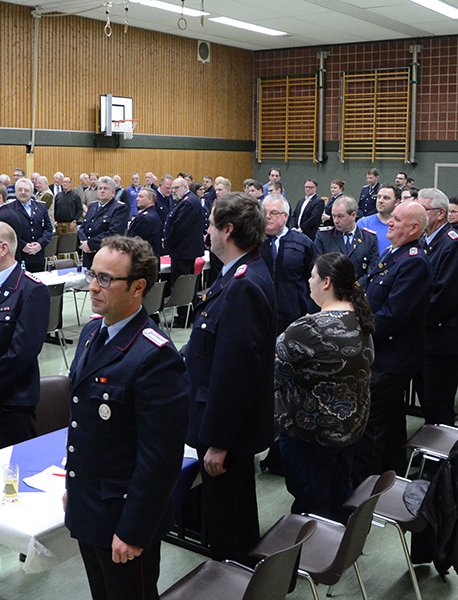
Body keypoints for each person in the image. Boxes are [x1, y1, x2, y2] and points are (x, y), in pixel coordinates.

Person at [65, 235, 188, 600]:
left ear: (138, 288)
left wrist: (134, 529)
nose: (92, 286)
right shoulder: (92, 332)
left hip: (124, 516)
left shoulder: (154, 356)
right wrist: (75, 489)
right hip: (90, 505)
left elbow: (160, 459)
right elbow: (85, 423)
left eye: (105, 279)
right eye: (92, 275)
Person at [186, 192, 276, 564]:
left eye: (210, 225)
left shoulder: (243, 285)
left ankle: (236, 581)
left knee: (230, 524)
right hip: (222, 421)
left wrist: (219, 442)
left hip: (227, 431)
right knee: (231, 512)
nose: (206, 232)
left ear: (228, 230)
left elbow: (235, 373)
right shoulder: (238, 274)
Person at [274, 252, 374, 522]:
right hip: (349, 428)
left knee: (311, 504)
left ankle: (312, 547)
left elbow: (271, 375)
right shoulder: (361, 317)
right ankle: (340, 544)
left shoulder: (308, 328)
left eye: (312, 276)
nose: (308, 281)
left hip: (309, 435)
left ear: (326, 282)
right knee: (340, 493)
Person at [353, 201, 431, 482]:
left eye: (397, 219)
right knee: (393, 422)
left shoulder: (414, 262)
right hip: (383, 353)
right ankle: (392, 477)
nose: (390, 221)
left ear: (413, 228)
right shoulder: (393, 253)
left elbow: (393, 315)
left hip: (391, 358)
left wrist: (356, 330)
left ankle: (365, 489)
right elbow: (369, 288)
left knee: (371, 427)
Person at [0, 221, 50, 451]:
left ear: (3, 248)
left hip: (11, 399)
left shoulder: (31, 289)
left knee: (14, 465)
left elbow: (23, 351)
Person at [416, 188, 458, 425]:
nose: (418, 215)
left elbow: (442, 298)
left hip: (444, 339)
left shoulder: (454, 246)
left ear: (440, 213)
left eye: (423, 210)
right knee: (427, 398)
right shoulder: (425, 240)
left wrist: (411, 318)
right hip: (428, 336)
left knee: (438, 403)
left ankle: (444, 448)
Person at [260, 195, 315, 335]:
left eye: (273, 213)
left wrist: (306, 305)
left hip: (292, 314)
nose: (267, 217)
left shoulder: (302, 243)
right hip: (259, 312)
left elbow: (312, 277)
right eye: (264, 212)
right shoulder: (252, 242)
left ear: (285, 216)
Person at [314, 196, 379, 287]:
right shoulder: (324, 236)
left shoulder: (369, 239)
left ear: (353, 215)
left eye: (340, 216)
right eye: (334, 216)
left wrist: (355, 287)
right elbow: (318, 266)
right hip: (331, 289)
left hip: (359, 291)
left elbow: (372, 269)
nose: (336, 221)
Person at [163, 177, 205, 306]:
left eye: (177, 188)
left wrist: (167, 244)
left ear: (186, 187)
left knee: (181, 285)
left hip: (183, 251)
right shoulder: (187, 200)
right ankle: (185, 312)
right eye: (172, 188)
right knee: (185, 284)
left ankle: (183, 314)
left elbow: (179, 228)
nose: (174, 191)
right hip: (185, 250)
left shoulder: (187, 203)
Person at [79, 176, 129, 268]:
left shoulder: (119, 208)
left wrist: (91, 244)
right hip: (88, 254)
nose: (102, 191)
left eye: (105, 189)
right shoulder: (92, 206)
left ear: (113, 192)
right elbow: (83, 227)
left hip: (106, 255)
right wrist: (84, 243)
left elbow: (114, 233)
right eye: (100, 188)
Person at [7, 178, 53, 273]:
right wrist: (23, 245)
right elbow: (7, 233)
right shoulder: (9, 209)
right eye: (20, 190)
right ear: (16, 191)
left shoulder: (41, 207)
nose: (23, 193)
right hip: (18, 255)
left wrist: (40, 244)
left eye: (26, 190)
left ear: (32, 192)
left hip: (38, 255)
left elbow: (48, 229)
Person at [356, 184, 399, 254]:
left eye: (386, 198)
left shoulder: (401, 225)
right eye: (379, 197)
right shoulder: (363, 224)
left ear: (397, 202)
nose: (380, 201)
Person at [127, 187, 163, 259]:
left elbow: (134, 240)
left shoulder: (145, 218)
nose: (137, 199)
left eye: (141, 197)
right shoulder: (152, 214)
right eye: (138, 196)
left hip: (143, 258)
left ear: (150, 200)